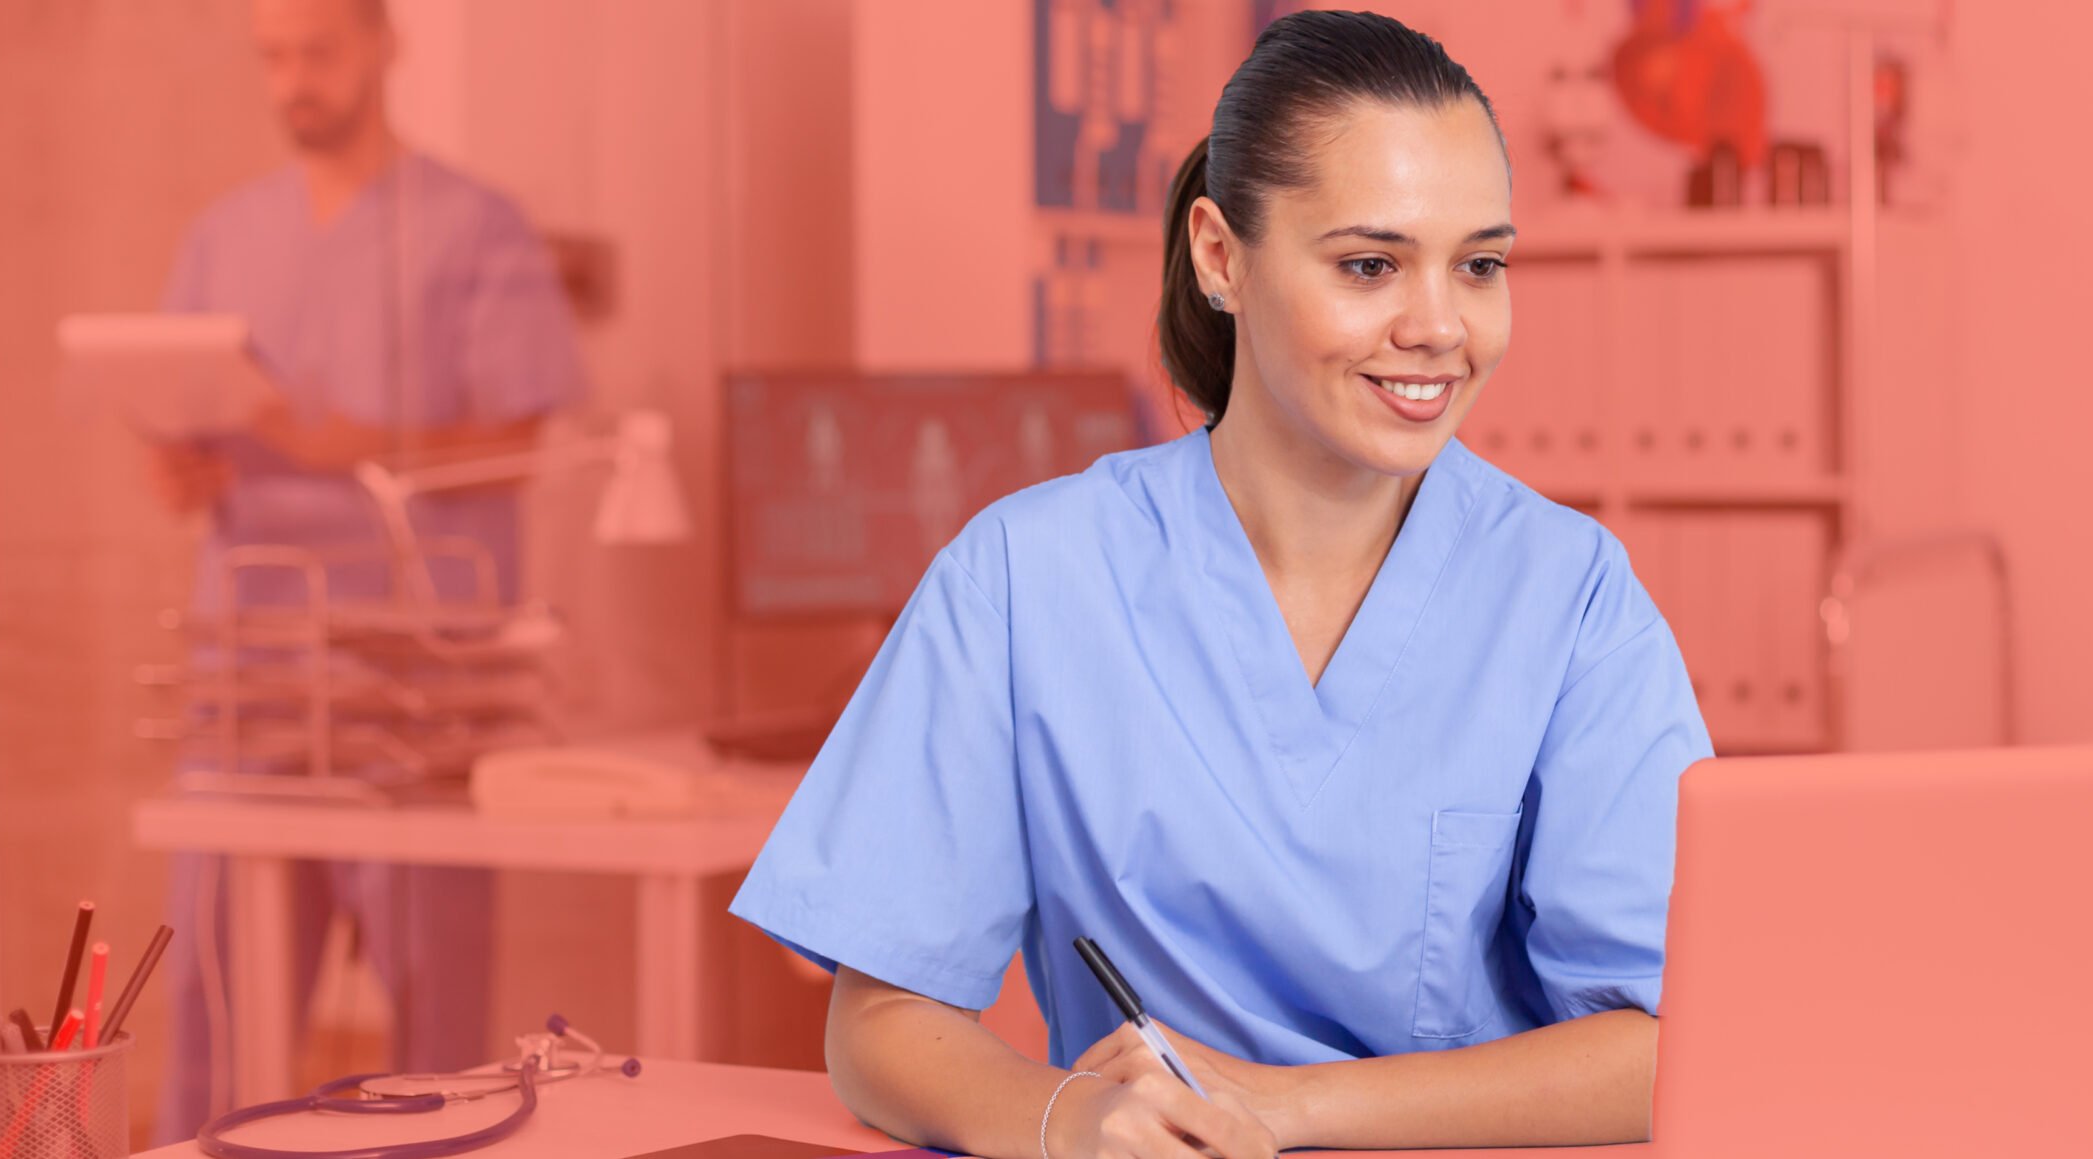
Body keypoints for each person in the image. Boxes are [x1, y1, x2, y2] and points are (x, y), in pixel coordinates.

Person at [730, 11, 1708, 1158]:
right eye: (1368, 265)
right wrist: (1060, 1119)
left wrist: (1284, 1107)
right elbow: (880, 1016)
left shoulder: (1569, 595)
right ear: (1219, 254)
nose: (1441, 326)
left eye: (1480, 265)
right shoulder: (1026, 578)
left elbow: (1671, 1042)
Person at [146, 0, 586, 1141]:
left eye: (319, 53)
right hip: (251, 677)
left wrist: (359, 444)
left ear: (386, 43)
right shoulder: (223, 235)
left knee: (436, 1030)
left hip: (413, 690)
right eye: (274, 58)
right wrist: (182, 465)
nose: (295, 80)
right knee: (211, 999)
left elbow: (520, 444)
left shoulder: (472, 229)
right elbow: (181, 419)